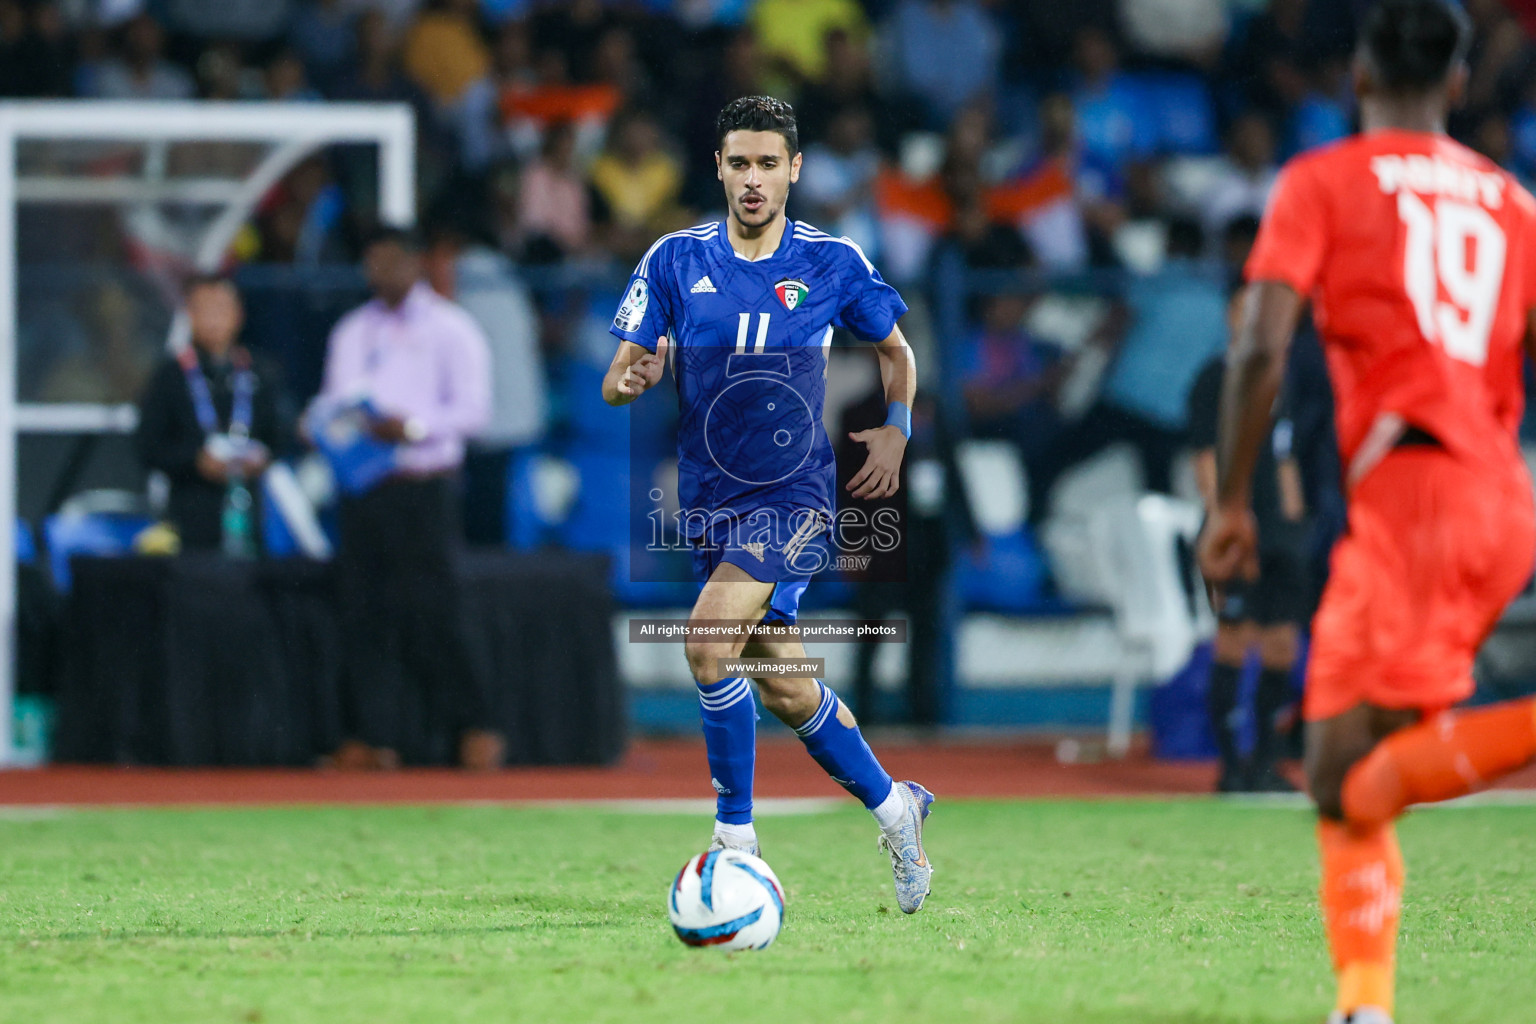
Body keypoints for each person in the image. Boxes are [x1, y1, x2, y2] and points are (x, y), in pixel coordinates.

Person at [1198, 4, 1536, 1022]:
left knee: (1344, 777)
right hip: (1492, 496)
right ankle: (1364, 1005)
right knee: (1365, 764)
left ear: (1357, 74)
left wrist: (1228, 498)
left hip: (1413, 505)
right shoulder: (1513, 202)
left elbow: (1259, 343)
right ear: (1462, 81)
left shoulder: (1323, 180)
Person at [601, 96, 934, 913]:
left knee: (709, 646)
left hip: (793, 496)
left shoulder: (833, 263)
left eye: (767, 163)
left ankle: (735, 846)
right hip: (711, 501)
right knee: (783, 686)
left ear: (794, 170)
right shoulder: (675, 259)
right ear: (718, 167)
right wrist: (632, 377)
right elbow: (617, 375)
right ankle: (897, 808)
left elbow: (895, 349)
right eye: (738, 163)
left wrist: (895, 428)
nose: (753, 179)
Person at [315, 227, 500, 771]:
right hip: (363, 488)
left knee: (438, 612)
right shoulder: (351, 331)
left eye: (391, 261)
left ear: (415, 263)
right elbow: (335, 400)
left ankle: (474, 727)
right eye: (372, 263)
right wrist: (332, 425)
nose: (381, 273)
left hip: (424, 486)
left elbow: (475, 412)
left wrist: (414, 428)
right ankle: (374, 736)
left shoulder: (451, 328)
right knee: (363, 612)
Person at [1188, 286, 1306, 794]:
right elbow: (1204, 456)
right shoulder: (1215, 378)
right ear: (1231, 314)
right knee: (1234, 640)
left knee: (1281, 643)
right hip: (1235, 527)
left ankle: (1264, 762)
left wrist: (1295, 519)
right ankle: (1230, 767)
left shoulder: (1285, 376)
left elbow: (1286, 453)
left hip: (1280, 531)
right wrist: (1220, 518)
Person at [135, 274, 286, 552]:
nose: (214, 319)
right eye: (204, 310)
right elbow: (148, 447)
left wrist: (261, 460)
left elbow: (280, 436)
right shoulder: (170, 376)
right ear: (189, 315)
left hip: (251, 511)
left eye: (221, 309)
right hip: (190, 516)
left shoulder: (261, 372)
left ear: (238, 314)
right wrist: (195, 461)